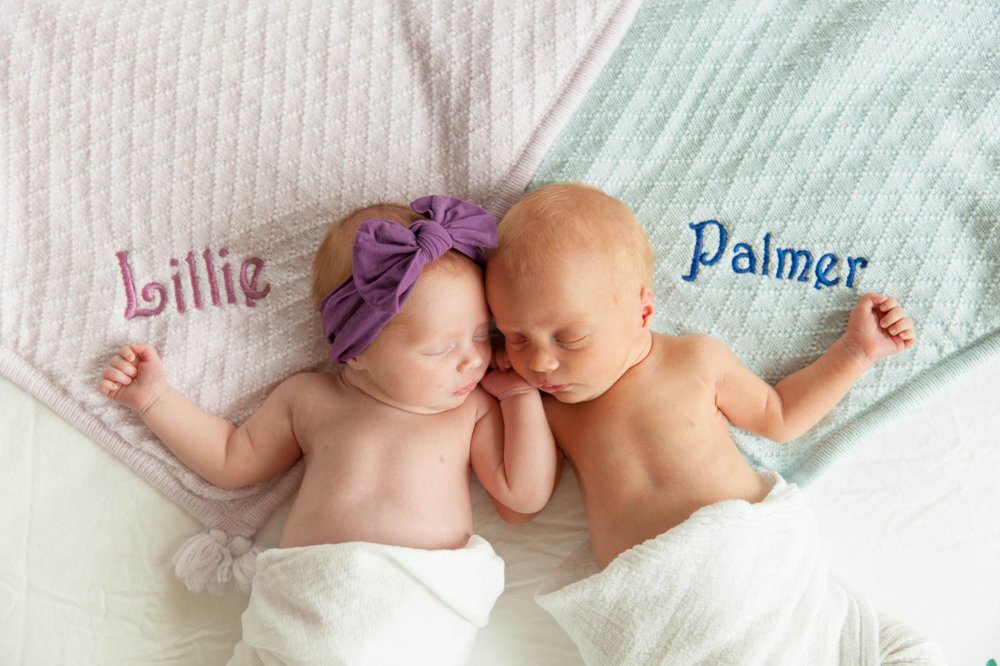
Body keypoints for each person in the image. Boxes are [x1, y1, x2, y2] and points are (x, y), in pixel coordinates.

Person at [485, 182, 944, 665]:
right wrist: (516, 399)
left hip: (754, 573)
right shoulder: (551, 410)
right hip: (664, 611)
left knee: (910, 652)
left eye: (570, 338)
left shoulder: (695, 361)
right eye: (516, 338)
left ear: (643, 311)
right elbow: (521, 507)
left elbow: (782, 416)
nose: (540, 362)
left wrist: (855, 352)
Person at [99, 195, 558, 666]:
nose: (473, 359)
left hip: (416, 620)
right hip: (308, 614)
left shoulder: (471, 410)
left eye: (481, 334)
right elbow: (230, 459)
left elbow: (524, 495)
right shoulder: (311, 399)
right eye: (440, 349)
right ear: (357, 350)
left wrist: (520, 397)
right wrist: (156, 400)